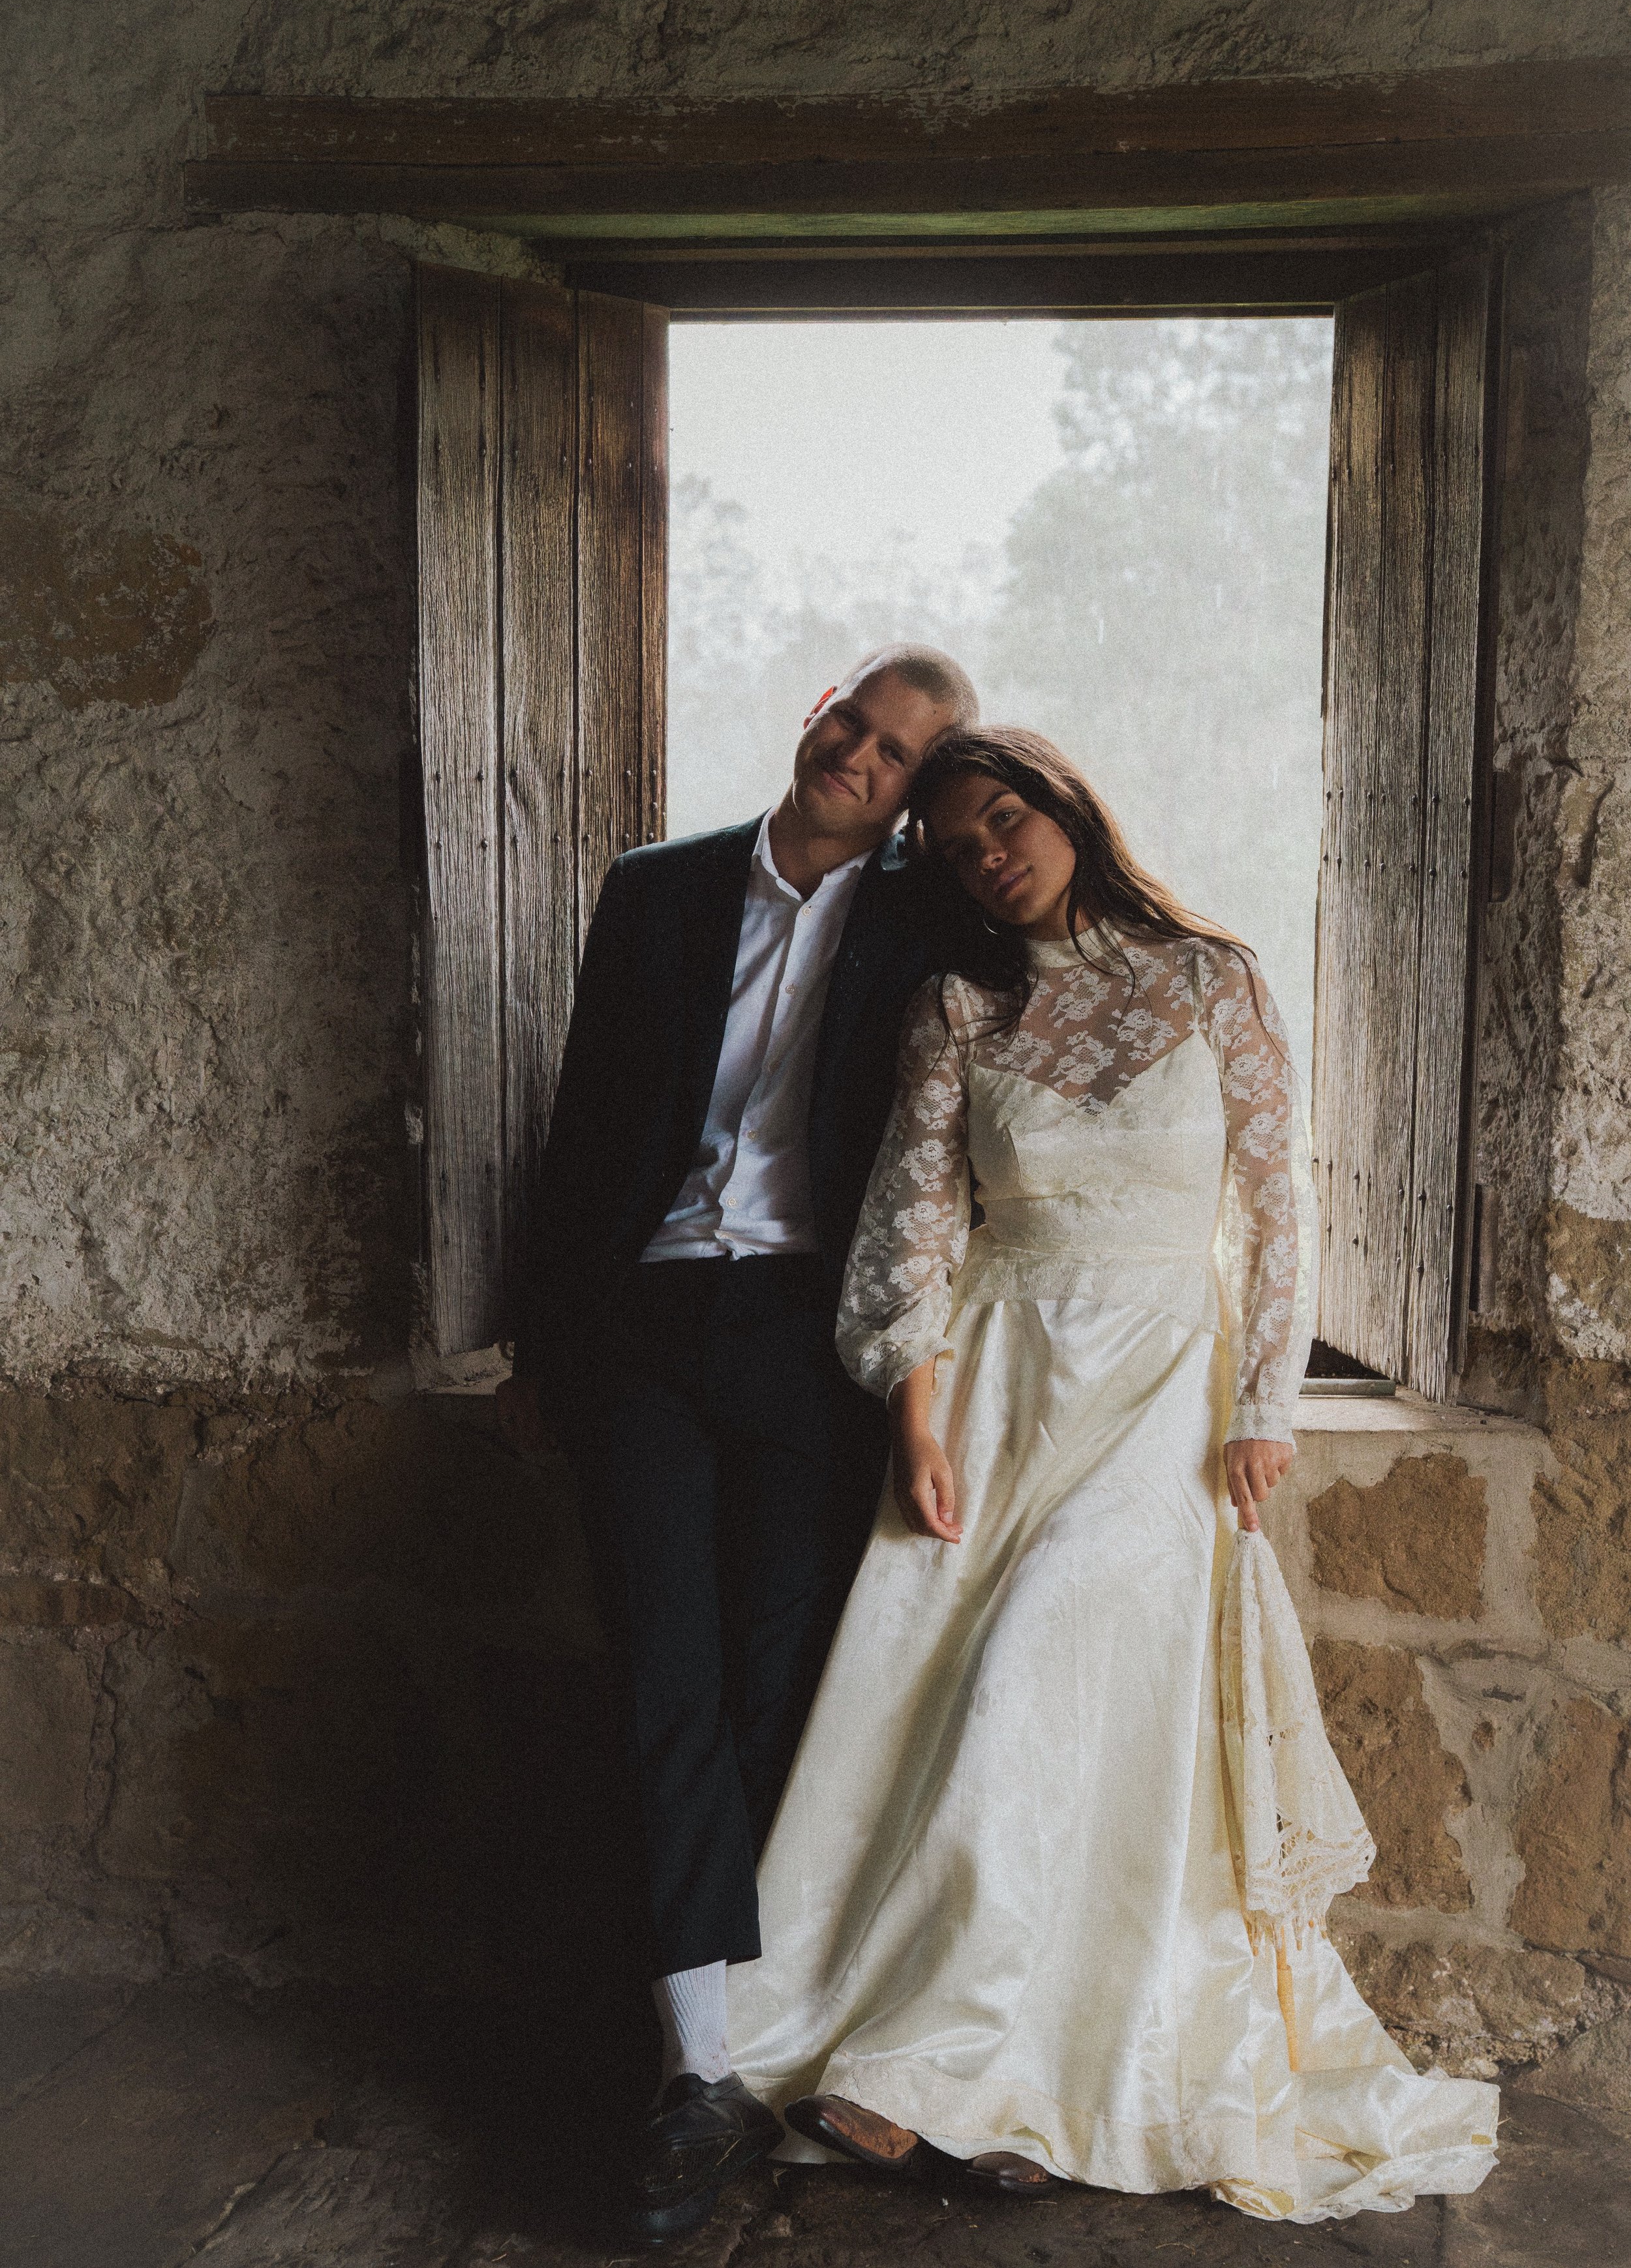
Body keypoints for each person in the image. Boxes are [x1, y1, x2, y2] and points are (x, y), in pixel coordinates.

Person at [728, 727, 1500, 2224]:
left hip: (1165, 1391)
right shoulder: (958, 1006)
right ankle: (1014, 2087)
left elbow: (1279, 1213)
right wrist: (916, 1408)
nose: (991, 853)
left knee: (1043, 1673)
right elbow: (910, 1225)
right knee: (1009, 1717)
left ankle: (946, 2064)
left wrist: (1264, 1402)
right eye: (958, 846)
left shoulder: (1215, 980)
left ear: (1068, 807)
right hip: (999, 1381)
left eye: (1005, 817)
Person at [497, 647, 981, 2243]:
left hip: (810, 1340)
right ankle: (691, 2070)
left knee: (781, 1677)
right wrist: (546, 1343)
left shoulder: (926, 927)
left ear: (914, 796)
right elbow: (581, 1131)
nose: (862, 752)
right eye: (856, 718)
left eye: (901, 753)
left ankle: (772, 2032)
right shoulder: (653, 890)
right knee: (664, 1669)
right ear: (814, 712)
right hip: (641, 1324)